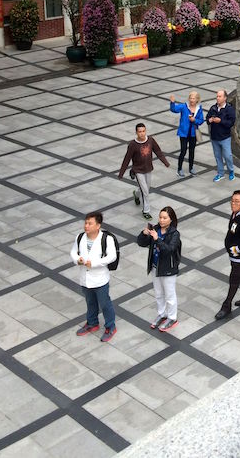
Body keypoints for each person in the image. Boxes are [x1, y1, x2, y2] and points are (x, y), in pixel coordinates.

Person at [70, 210, 117, 342]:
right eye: (86, 223)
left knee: (105, 304)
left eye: (90, 223)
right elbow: (73, 252)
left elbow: (112, 256)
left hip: (100, 279)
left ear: (98, 226)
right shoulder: (80, 237)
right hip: (85, 278)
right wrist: (77, 259)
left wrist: (95, 263)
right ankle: (92, 323)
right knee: (90, 302)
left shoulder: (106, 239)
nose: (86, 226)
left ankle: (110, 326)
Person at [136, 205, 181, 332]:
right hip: (156, 267)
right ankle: (162, 314)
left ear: (171, 220)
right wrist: (144, 234)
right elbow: (141, 243)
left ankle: (172, 317)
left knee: (169, 295)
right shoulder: (156, 229)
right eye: (160, 217)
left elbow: (169, 250)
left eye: (165, 218)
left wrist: (157, 239)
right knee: (158, 293)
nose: (161, 220)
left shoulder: (174, 234)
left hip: (168, 269)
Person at [215, 190, 240, 320]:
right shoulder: (235, 214)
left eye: (236, 201)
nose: (233, 203)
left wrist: (237, 249)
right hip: (234, 255)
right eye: (232, 201)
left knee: (234, 280)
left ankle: (226, 306)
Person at [118, 122, 170, 220]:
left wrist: (165, 162)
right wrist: (121, 173)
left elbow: (158, 151)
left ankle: (136, 194)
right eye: (139, 132)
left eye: (143, 131)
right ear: (136, 133)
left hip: (148, 169)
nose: (142, 133)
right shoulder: (133, 145)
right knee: (145, 191)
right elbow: (127, 159)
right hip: (138, 170)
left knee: (146, 188)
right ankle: (146, 211)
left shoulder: (150, 140)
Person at [170, 91, 204, 177]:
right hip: (184, 133)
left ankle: (191, 168)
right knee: (183, 151)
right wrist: (172, 102)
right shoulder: (184, 106)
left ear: (197, 100)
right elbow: (174, 109)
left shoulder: (199, 109)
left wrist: (194, 120)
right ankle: (179, 169)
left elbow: (201, 120)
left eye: (193, 98)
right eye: (190, 98)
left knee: (192, 151)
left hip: (193, 134)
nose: (192, 100)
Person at [207, 89, 236, 182]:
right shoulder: (213, 108)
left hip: (225, 137)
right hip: (214, 137)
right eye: (217, 96)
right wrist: (209, 120)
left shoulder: (229, 109)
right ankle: (220, 173)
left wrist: (221, 121)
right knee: (218, 156)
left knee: (228, 156)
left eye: (220, 96)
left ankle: (231, 171)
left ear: (225, 98)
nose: (218, 98)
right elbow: (207, 118)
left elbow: (231, 123)